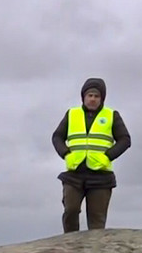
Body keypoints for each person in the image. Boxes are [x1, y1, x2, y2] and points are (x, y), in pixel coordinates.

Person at [51, 77, 131, 232]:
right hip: (74, 173)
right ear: (84, 97)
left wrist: (107, 156)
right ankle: (70, 244)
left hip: (100, 175)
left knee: (96, 221)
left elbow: (125, 140)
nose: (93, 99)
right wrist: (66, 154)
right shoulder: (72, 114)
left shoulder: (111, 115)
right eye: (90, 95)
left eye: (96, 96)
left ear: (102, 98)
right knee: (71, 210)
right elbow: (57, 137)